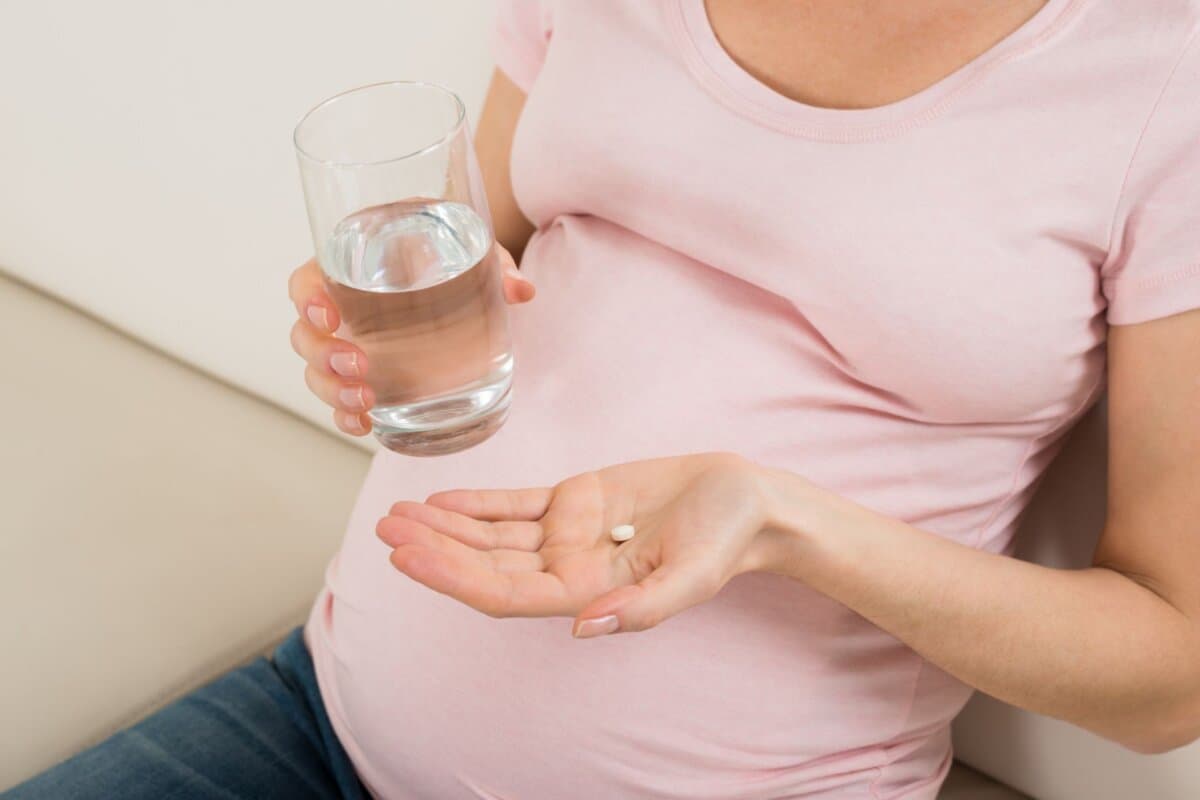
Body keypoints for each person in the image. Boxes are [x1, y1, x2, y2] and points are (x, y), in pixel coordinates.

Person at [9, 1, 1200, 798]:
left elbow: (1171, 677)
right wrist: (363, 337)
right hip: (317, 719)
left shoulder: (1159, 82)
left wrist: (786, 523)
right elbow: (478, 256)